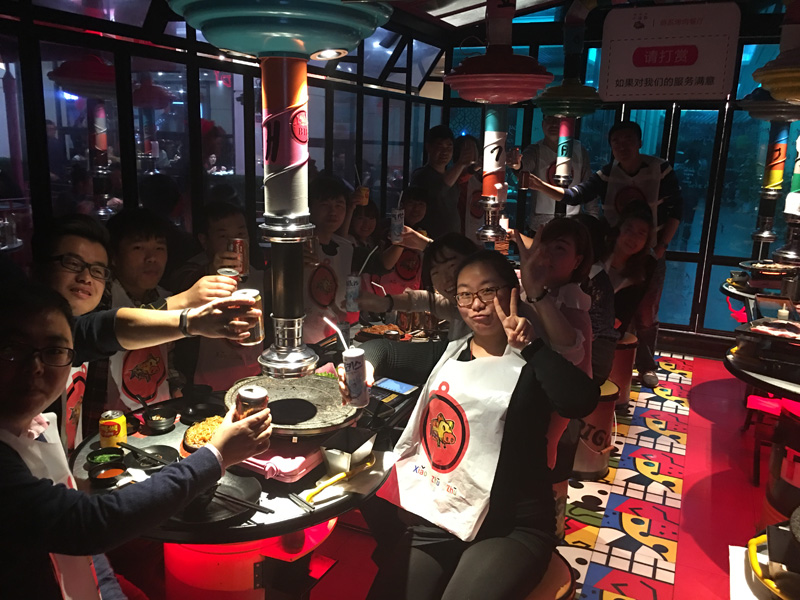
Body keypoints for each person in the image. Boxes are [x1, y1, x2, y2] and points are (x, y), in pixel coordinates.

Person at [0, 282, 272, 600]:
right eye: (12, 350)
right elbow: (84, 524)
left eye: (53, 351)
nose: (35, 367)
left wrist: (191, 322)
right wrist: (215, 456)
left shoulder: (32, 426)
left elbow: (101, 330)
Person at [361, 250, 598, 600]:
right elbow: (382, 350)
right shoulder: (449, 354)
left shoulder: (533, 360)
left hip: (513, 526)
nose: (476, 304)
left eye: (488, 291)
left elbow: (581, 400)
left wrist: (531, 347)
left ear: (512, 292)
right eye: (465, 294)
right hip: (446, 516)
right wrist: (363, 369)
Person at [30, 214, 251, 448]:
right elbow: (107, 326)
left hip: (147, 421)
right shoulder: (75, 315)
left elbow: (165, 357)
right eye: (73, 264)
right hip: (97, 432)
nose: (151, 258)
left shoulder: (159, 294)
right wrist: (189, 314)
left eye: (159, 248)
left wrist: (175, 388)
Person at [525, 121, 682, 387]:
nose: (622, 146)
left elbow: (677, 209)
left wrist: (660, 247)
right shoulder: (608, 173)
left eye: (628, 139)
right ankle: (605, 352)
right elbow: (576, 195)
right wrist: (541, 186)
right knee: (604, 303)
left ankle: (645, 365)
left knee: (645, 313)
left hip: (649, 251)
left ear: (640, 142)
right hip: (615, 246)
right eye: (616, 141)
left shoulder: (660, 169)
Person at [516, 115, 599, 231]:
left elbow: (589, 189)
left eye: (558, 120)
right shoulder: (535, 150)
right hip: (540, 227)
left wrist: (593, 223)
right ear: (542, 124)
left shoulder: (579, 150)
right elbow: (523, 168)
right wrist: (516, 165)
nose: (553, 124)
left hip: (572, 224)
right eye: (549, 119)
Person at [302, 175, 355, 343]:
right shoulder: (297, 247)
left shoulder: (346, 248)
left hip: (336, 336)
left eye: (339, 205)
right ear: (309, 208)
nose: (333, 212)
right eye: (325, 205)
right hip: (302, 339)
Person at [410, 125, 477, 239]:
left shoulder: (451, 175)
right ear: (428, 147)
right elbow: (440, 189)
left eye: (449, 147)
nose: (445, 152)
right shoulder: (422, 175)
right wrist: (460, 163)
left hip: (452, 240)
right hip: (430, 240)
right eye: (439, 146)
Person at [453, 135, 483, 243]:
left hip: (477, 229)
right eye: (466, 149)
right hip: (460, 231)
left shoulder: (480, 176)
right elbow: (461, 179)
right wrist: (475, 167)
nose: (471, 153)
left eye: (473, 148)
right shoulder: (454, 174)